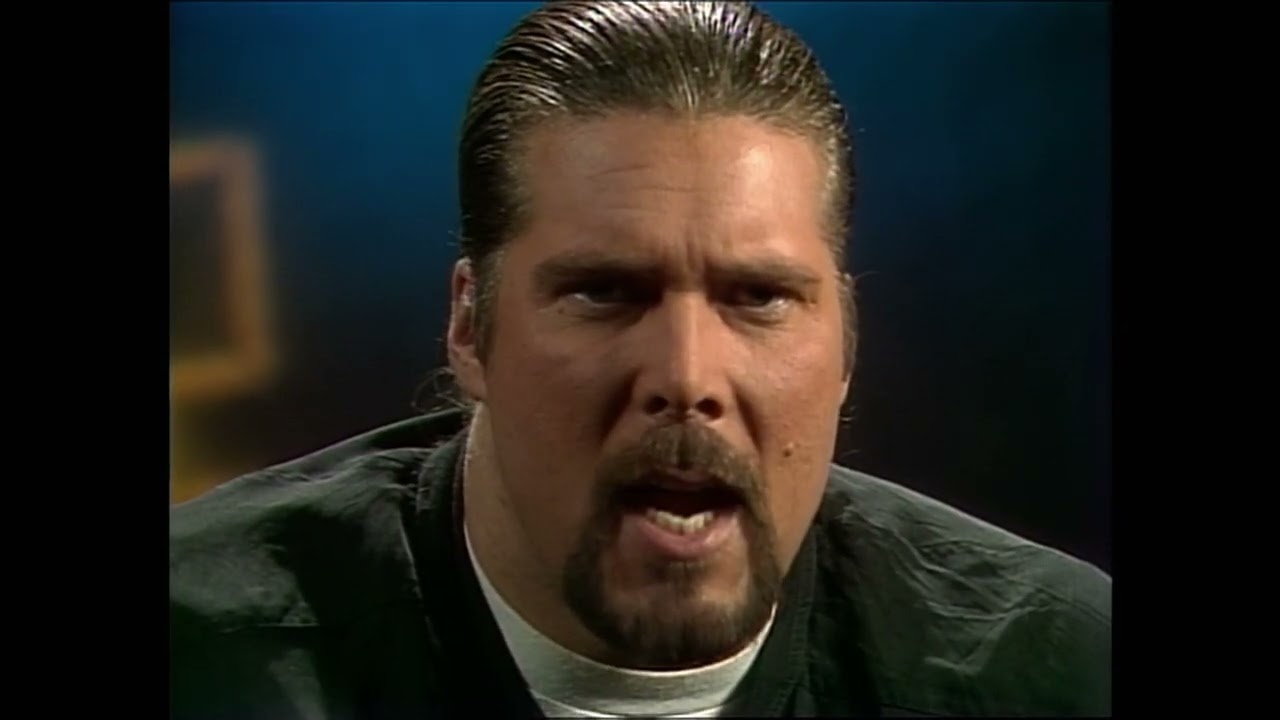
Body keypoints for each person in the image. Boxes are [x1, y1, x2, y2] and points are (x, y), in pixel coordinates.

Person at [169, 2, 1111, 718]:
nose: (686, 377)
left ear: (847, 343)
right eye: (605, 292)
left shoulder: (1060, 669)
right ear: (469, 327)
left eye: (758, 297)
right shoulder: (199, 649)